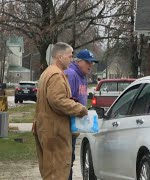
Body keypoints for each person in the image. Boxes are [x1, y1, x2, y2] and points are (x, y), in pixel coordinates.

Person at [33, 42, 88, 179]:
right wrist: (79, 109)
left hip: (47, 128)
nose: (72, 59)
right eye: (69, 56)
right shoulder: (56, 75)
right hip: (55, 131)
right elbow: (57, 100)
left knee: (49, 169)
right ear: (59, 57)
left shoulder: (47, 73)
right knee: (57, 170)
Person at [64, 49, 98, 180]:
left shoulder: (83, 77)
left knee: (70, 159)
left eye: (92, 63)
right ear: (79, 61)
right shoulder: (71, 74)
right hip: (65, 126)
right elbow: (66, 100)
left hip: (74, 127)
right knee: (65, 161)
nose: (91, 65)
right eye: (88, 62)